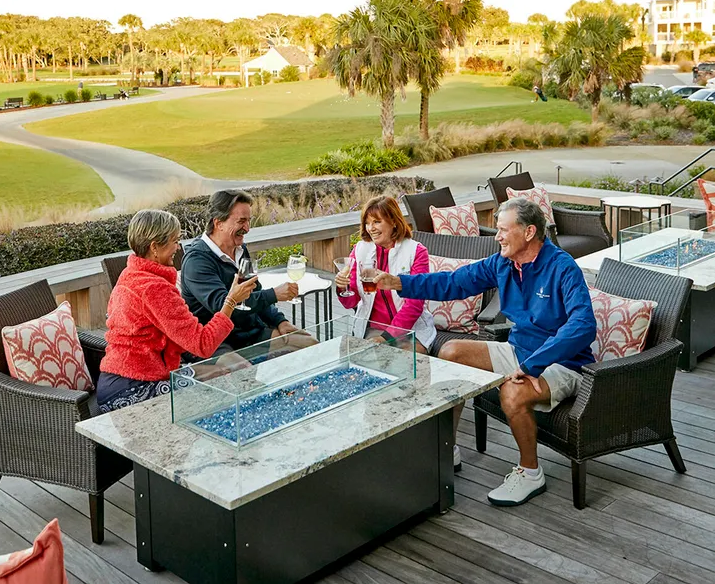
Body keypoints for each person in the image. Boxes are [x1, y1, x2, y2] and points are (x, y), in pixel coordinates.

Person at [373, 198, 596, 506]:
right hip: (519, 351)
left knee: (513, 392)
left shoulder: (562, 267)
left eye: (504, 230)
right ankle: (446, 448)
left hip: (564, 363)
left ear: (529, 232)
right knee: (450, 352)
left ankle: (531, 472)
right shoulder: (503, 263)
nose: (497, 236)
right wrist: (399, 282)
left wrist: (532, 365)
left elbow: (583, 326)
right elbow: (454, 282)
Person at [97, 209, 258, 413]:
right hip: (132, 387)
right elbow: (203, 344)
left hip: (119, 378)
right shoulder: (155, 288)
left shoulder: (131, 273)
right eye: (174, 241)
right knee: (221, 391)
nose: (178, 247)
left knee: (222, 371)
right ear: (154, 247)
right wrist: (231, 301)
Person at [181, 189, 314, 357]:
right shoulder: (197, 261)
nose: (247, 228)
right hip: (216, 342)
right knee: (241, 370)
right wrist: (274, 294)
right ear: (218, 223)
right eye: (241, 221)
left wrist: (280, 321)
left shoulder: (240, 249)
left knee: (310, 344)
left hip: (248, 333)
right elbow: (224, 306)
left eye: (249, 221)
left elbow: (255, 291)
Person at [334, 195, 435, 354]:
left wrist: (386, 337)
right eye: (367, 223)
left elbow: (414, 305)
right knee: (371, 358)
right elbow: (350, 302)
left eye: (376, 222)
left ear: (394, 221)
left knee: (407, 359)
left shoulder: (416, 251)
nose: (371, 228)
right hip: (372, 327)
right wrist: (342, 287)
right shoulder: (360, 250)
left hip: (411, 328)